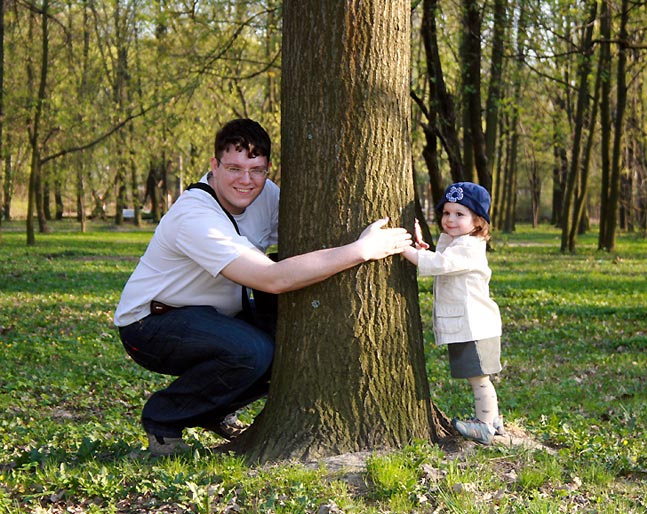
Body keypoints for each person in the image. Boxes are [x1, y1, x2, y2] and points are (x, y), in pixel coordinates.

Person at [114, 118, 411, 456]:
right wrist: (360, 251)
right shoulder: (195, 217)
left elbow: (308, 241)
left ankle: (212, 411)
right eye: (234, 168)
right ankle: (163, 420)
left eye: (256, 170)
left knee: (291, 345)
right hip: (152, 323)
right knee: (253, 352)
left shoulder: (265, 195)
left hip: (214, 314)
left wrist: (409, 240)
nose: (246, 180)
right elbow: (274, 278)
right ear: (214, 165)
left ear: (268, 168)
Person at [401, 182, 504, 445]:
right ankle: (492, 420)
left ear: (478, 221)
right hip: (471, 325)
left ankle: (485, 425)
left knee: (479, 378)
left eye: (460, 214)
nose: (450, 219)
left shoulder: (470, 246)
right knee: (479, 377)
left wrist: (405, 250)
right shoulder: (459, 242)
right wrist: (422, 250)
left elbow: (442, 264)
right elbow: (442, 258)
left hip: (476, 326)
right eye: (446, 213)